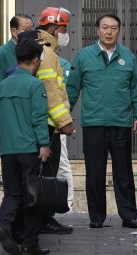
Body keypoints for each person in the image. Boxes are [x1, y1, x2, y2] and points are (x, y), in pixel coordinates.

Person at [67, 14, 137, 229]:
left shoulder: (128, 57)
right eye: (105, 27)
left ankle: (128, 216)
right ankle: (96, 217)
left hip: (120, 123)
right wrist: (64, 118)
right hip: (93, 123)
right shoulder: (84, 56)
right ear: (97, 30)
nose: (109, 32)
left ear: (119, 31)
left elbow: (135, 90)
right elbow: (72, 89)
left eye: (113, 28)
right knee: (94, 172)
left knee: (124, 172)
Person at [0, 37, 51, 255]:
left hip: (8, 150)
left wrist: (2, 142)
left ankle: (4, 226)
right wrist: (44, 144)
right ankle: (31, 242)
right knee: (33, 197)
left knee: (12, 194)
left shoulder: (2, 85)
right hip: (29, 149)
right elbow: (39, 118)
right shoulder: (35, 85)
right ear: (36, 61)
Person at [32, 6, 75, 234]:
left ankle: (41, 219)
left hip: (45, 123)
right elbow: (51, 93)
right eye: (63, 28)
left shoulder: (44, 49)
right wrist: (64, 121)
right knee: (47, 176)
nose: (65, 33)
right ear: (53, 27)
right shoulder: (47, 53)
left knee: (43, 174)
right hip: (48, 125)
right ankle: (43, 220)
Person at [0, 14, 34, 112]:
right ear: (14, 32)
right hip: (10, 110)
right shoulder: (1, 54)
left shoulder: (34, 52)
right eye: (25, 30)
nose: (30, 34)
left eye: (31, 30)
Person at [58, 56, 75, 210]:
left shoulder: (64, 64)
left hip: (57, 121)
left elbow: (66, 95)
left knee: (62, 162)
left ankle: (68, 203)